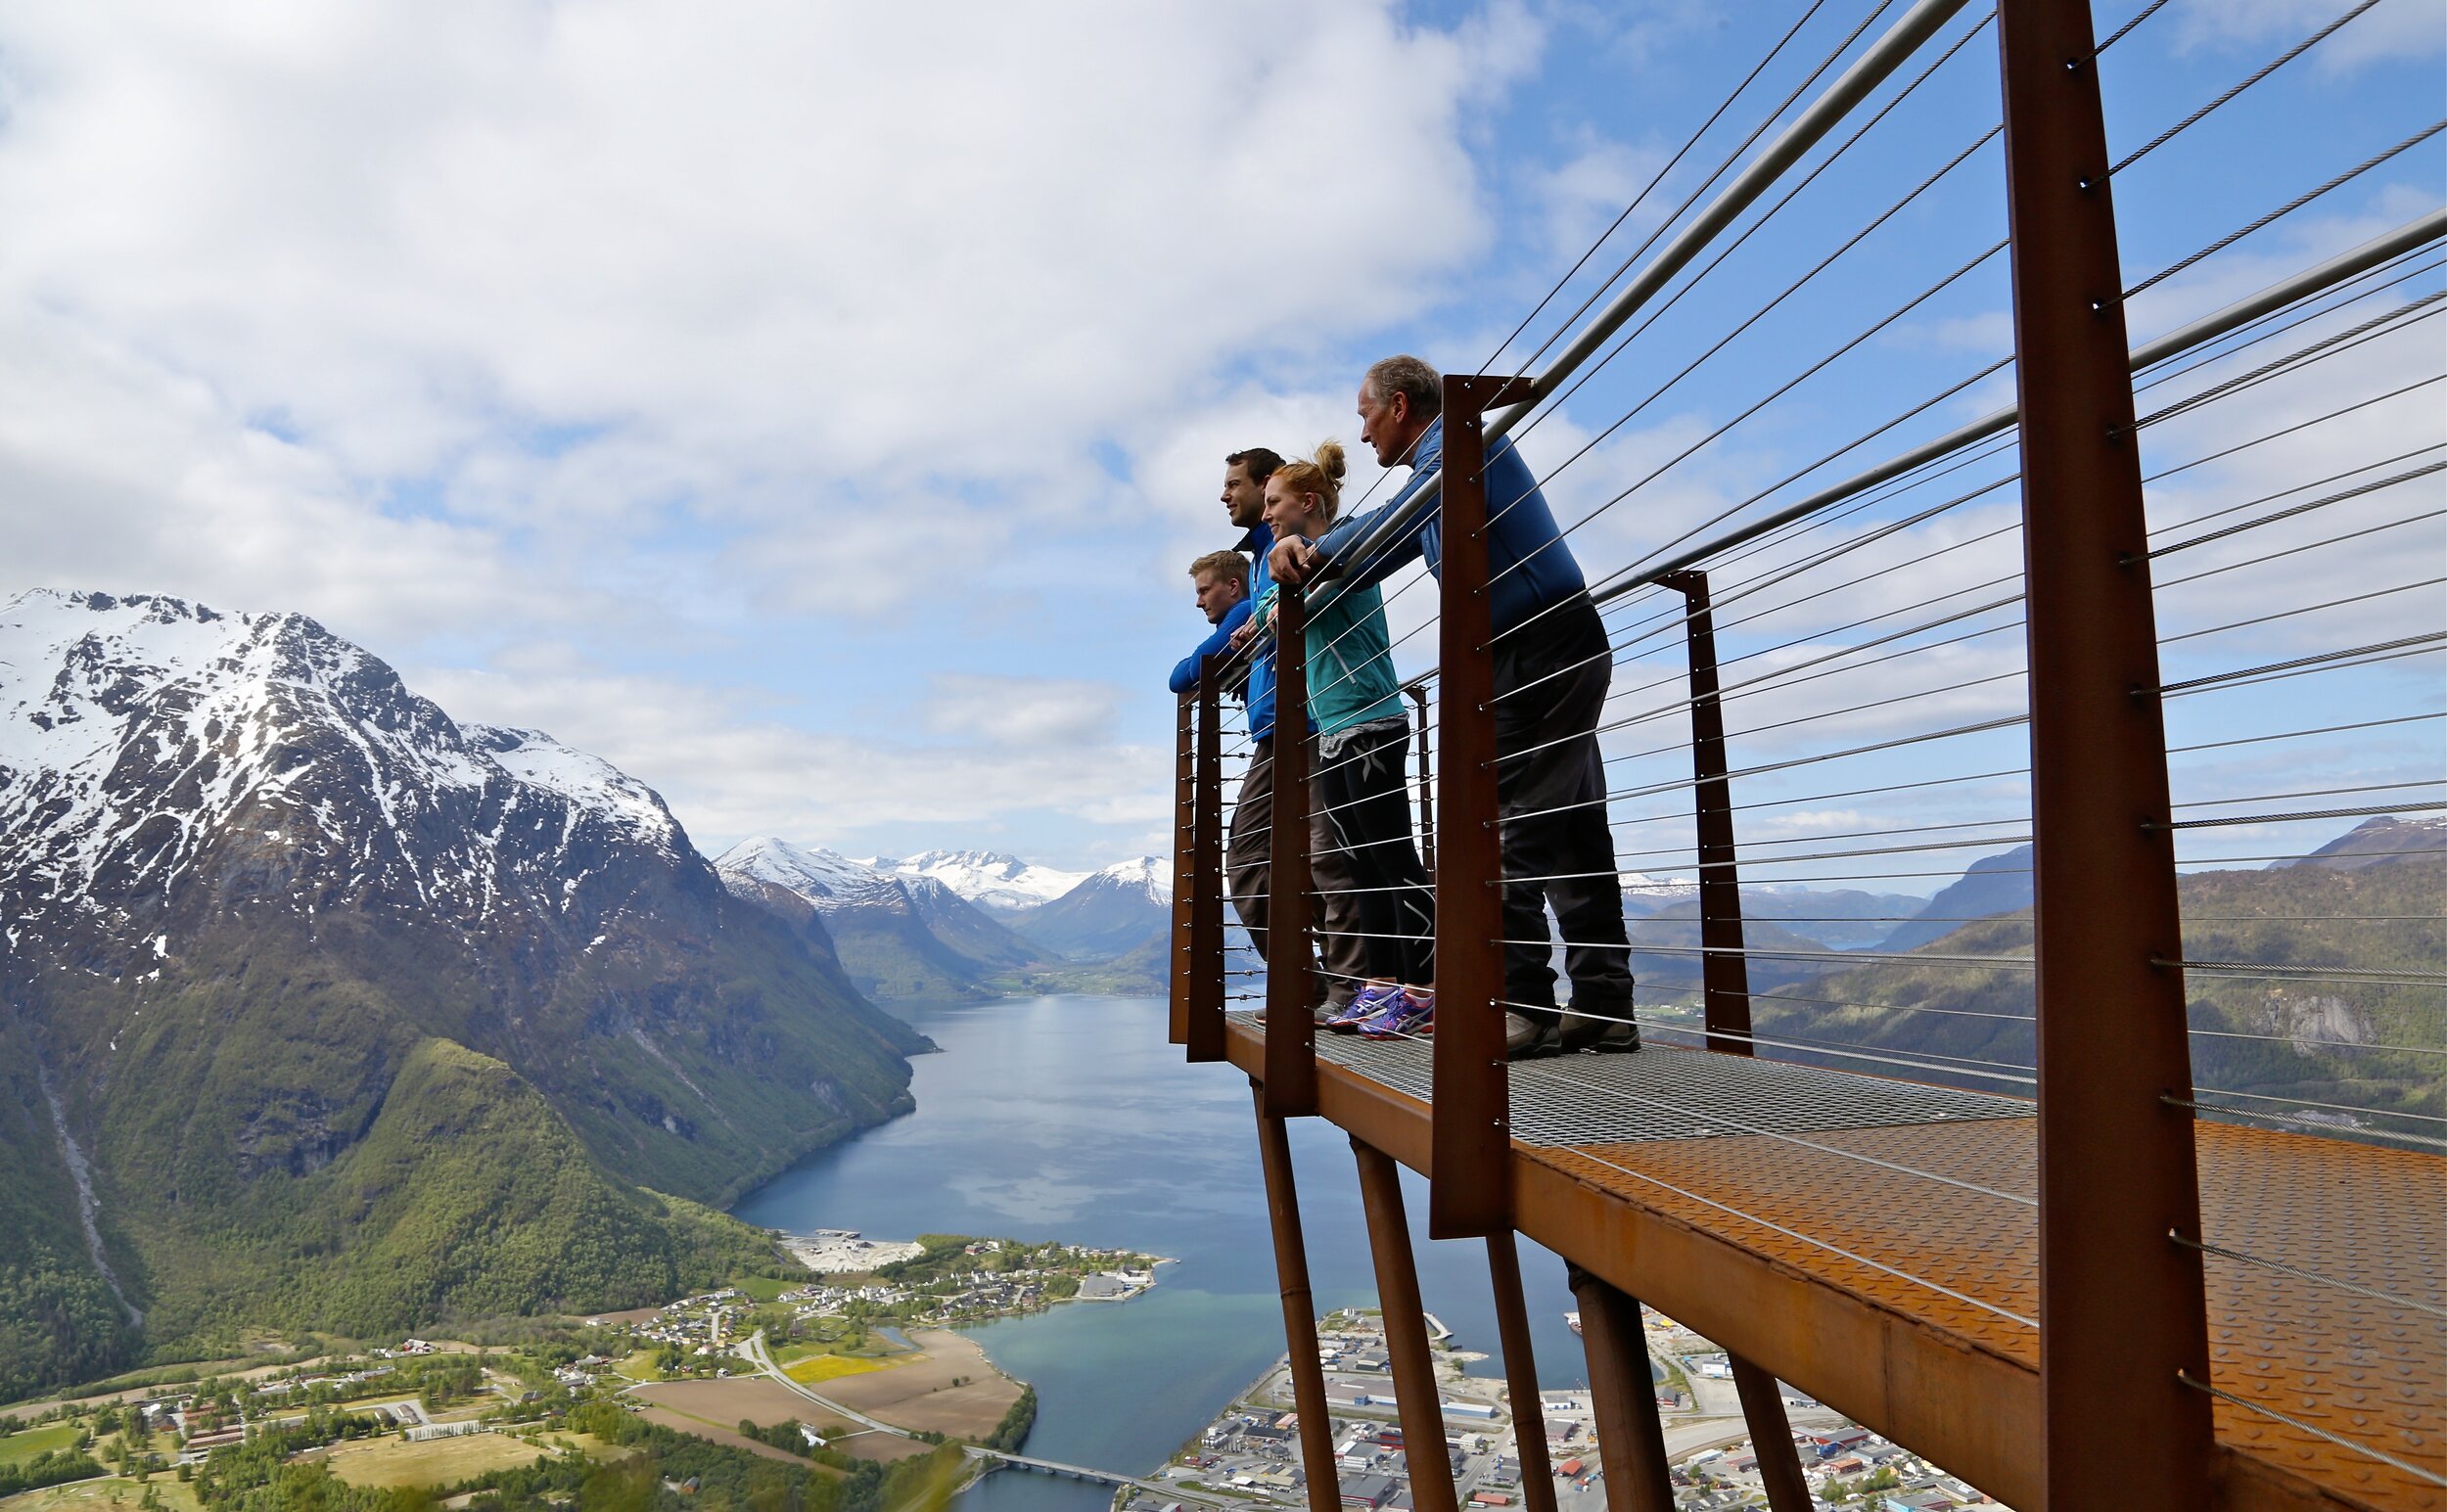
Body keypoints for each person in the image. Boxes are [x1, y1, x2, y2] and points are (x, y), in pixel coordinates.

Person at [1269, 356, 1635, 1058]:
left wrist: (1309, 546)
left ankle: (1522, 1008)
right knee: (1574, 829)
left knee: (1505, 823)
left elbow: (1376, 529)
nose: (1363, 431)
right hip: (1554, 641)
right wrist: (1313, 552)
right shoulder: (1440, 478)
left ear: (1399, 407)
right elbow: (1371, 545)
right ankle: (1606, 1003)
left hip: (1535, 647)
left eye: (1366, 413)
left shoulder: (1458, 452)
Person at [1236, 442, 1436, 1040]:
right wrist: (1270, 605)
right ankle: (1380, 986)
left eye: (1275, 503)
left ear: (1309, 503)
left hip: (1370, 721)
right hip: (1333, 729)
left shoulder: (1346, 545)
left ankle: (1424, 988)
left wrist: (1276, 601)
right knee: (1361, 861)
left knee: (1390, 859)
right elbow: (1272, 615)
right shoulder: (1292, 559)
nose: (1268, 514)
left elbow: (1283, 610)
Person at [1200, 448, 1371, 1017]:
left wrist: (1256, 633)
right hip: (1286, 724)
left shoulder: (1293, 550)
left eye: (1237, 486)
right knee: (1294, 860)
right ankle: (1322, 984)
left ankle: (1344, 987)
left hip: (1310, 719)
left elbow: (1189, 670)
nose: (1226, 495)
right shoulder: (1260, 558)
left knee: (1321, 858)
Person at [1168, 549, 1253, 696]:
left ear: (1233, 586)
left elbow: (1199, 666)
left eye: (1204, 591)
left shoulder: (1246, 609)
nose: (1199, 603)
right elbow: (1176, 681)